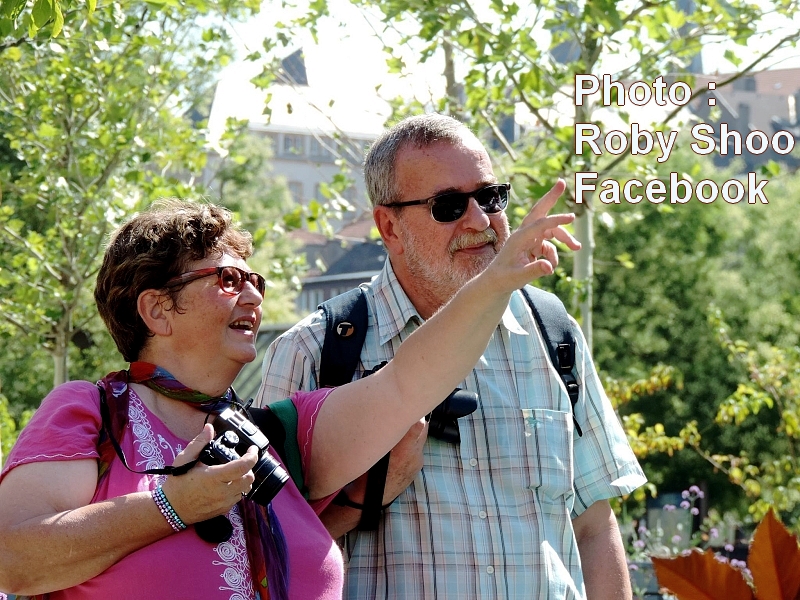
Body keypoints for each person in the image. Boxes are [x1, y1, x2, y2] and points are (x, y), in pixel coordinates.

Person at [0, 189, 575, 600]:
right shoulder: (92, 412)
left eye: (255, 280)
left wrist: (496, 279)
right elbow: (13, 561)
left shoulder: (276, 435)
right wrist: (174, 507)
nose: (252, 294)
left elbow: (408, 380)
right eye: (227, 279)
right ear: (156, 310)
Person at [256, 113, 647, 599]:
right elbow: (259, 552)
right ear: (389, 227)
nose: (481, 221)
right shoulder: (314, 352)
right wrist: (365, 497)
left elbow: (593, 526)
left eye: (490, 197)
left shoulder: (552, 332)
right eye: (448, 206)